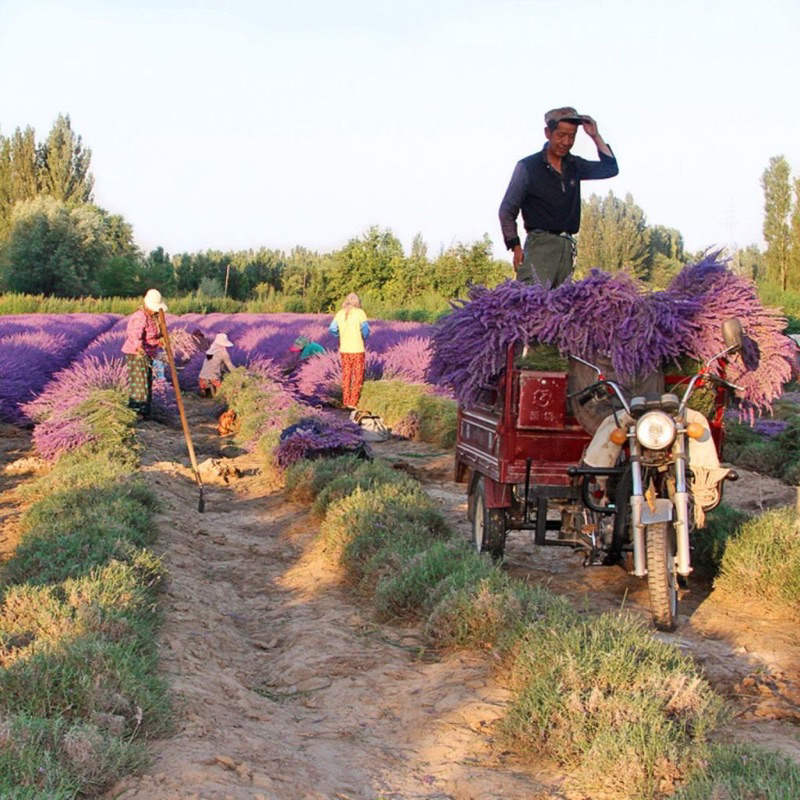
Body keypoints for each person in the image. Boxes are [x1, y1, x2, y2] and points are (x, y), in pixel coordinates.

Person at [499, 107, 619, 289]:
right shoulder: (528, 167)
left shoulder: (574, 165)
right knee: (532, 307)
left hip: (566, 247)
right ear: (548, 133)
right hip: (540, 247)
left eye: (572, 137)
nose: (566, 142)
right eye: (561, 135)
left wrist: (595, 136)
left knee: (560, 310)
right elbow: (507, 210)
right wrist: (515, 246)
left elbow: (610, 169)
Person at [121, 288, 167, 418]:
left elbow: (154, 336)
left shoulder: (155, 316)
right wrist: (140, 349)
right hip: (137, 354)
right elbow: (134, 335)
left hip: (148, 353)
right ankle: (137, 413)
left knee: (147, 383)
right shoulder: (141, 316)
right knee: (139, 384)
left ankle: (145, 413)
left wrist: (160, 341)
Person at [329, 293, 370, 409]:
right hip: (357, 349)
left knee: (346, 375)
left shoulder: (340, 313)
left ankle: (346, 402)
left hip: (344, 350)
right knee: (357, 376)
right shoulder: (360, 313)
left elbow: (332, 329)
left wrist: (339, 335)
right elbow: (365, 330)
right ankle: (353, 402)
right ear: (357, 302)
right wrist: (363, 337)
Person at [198, 332, 236, 397]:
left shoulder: (210, 351)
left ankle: (203, 391)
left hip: (202, 377)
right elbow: (230, 366)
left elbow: (212, 364)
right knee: (221, 389)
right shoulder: (223, 353)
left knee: (206, 379)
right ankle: (218, 396)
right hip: (214, 378)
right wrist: (236, 372)